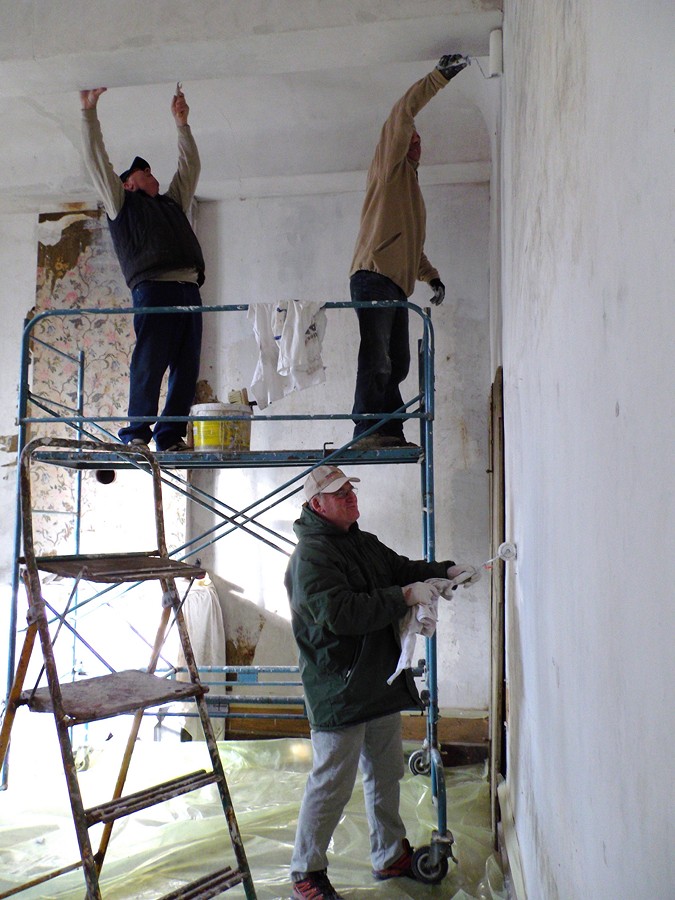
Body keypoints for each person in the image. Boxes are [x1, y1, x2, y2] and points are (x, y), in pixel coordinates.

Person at [284, 464, 480, 899]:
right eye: (340, 495)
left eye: (350, 491)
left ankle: (390, 854)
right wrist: (404, 596)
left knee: (386, 773)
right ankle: (305, 872)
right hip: (340, 689)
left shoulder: (361, 542)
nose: (351, 499)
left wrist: (444, 571)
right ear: (317, 505)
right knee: (332, 783)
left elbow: (400, 568)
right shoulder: (311, 558)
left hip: (376, 680)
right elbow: (341, 615)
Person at [349, 54, 468, 450]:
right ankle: (366, 431)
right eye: (411, 138)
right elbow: (403, 112)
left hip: (395, 283)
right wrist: (438, 77)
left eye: (419, 140)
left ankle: (390, 431)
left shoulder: (411, 193)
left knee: (396, 363)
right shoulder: (387, 171)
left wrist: (431, 275)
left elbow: (412, 247)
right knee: (378, 359)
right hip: (372, 276)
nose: (416, 142)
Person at [79, 84, 205, 452]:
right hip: (155, 287)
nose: (153, 174)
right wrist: (89, 113)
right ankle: (137, 433)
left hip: (189, 289)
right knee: (150, 360)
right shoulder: (122, 204)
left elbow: (190, 167)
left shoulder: (171, 204)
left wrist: (182, 125)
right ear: (128, 183)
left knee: (187, 367)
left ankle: (170, 436)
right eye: (144, 172)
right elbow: (96, 161)